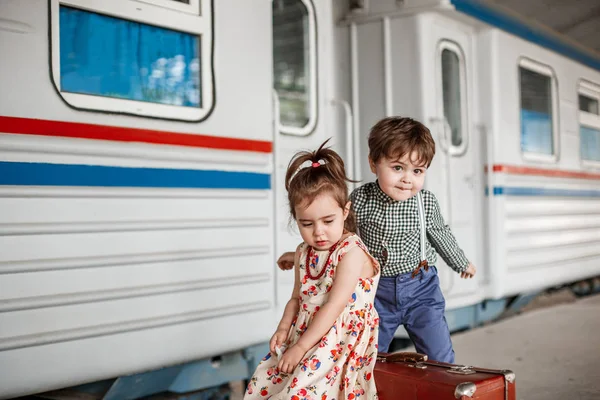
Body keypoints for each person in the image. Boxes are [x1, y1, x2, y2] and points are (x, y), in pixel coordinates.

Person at [278, 117, 477, 363]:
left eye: (417, 171)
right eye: (397, 168)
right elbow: (337, 237)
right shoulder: (361, 199)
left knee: (439, 355)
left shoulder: (425, 202)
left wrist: (460, 262)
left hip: (421, 289)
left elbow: (439, 233)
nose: (407, 179)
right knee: (366, 355)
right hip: (376, 292)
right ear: (374, 164)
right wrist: (300, 255)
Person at [245, 140, 380, 399]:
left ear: (345, 211)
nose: (318, 232)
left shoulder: (351, 252)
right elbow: (296, 299)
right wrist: (284, 328)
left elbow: (335, 305)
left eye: (328, 221)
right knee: (267, 383)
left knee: (301, 392)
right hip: (306, 334)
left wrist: (301, 348)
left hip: (339, 341)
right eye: (306, 223)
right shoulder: (303, 252)